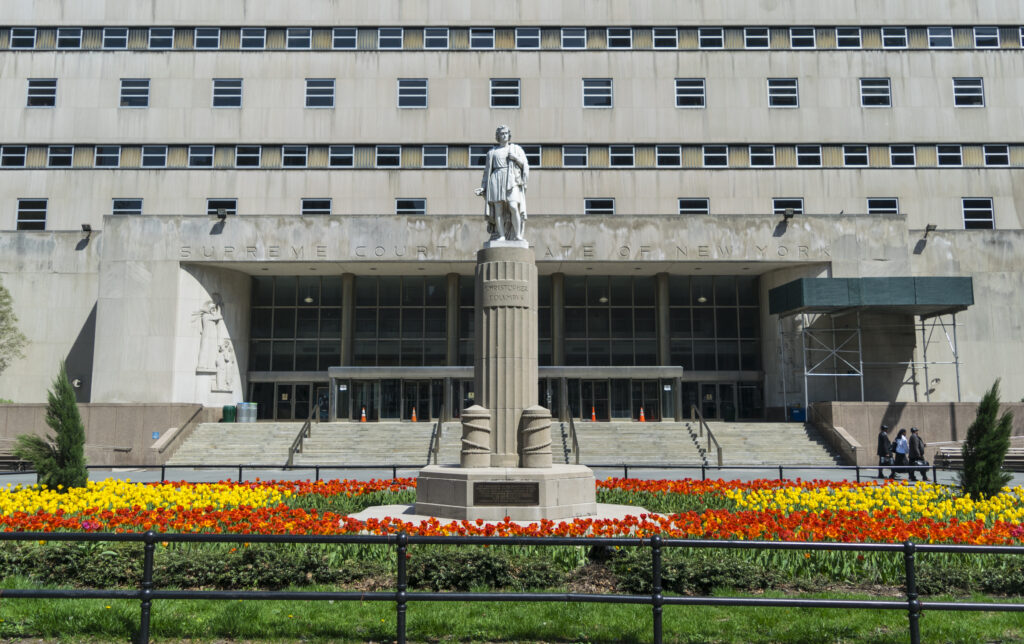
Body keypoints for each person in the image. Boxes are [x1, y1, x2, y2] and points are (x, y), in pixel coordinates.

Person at [474, 125, 529, 242]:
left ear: (509, 135)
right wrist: (483, 187)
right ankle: (501, 235)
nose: (504, 135)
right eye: (501, 134)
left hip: (511, 179)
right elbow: (487, 172)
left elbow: (525, 166)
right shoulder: (492, 152)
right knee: (498, 209)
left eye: (505, 133)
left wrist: (515, 158)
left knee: (514, 207)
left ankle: (518, 235)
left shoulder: (516, 149)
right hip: (496, 179)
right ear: (497, 136)